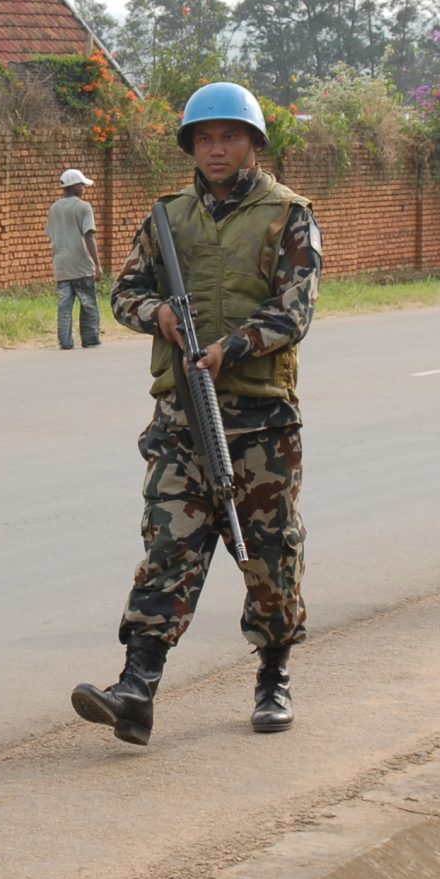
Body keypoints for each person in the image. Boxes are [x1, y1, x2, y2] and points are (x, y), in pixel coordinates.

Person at [70, 82, 321, 744]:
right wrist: (157, 314)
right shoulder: (166, 218)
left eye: (229, 136)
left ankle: (274, 675)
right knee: (168, 543)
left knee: (268, 554)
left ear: (254, 143)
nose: (216, 148)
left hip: (260, 420)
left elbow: (296, 308)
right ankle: (136, 687)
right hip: (181, 416)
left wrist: (228, 348)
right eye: (204, 138)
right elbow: (125, 290)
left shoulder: (288, 214)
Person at [47, 167, 102, 349]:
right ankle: (90, 338)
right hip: (81, 265)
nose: (84, 188)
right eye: (82, 185)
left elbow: (52, 235)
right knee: (88, 304)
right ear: (74, 186)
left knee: (64, 305)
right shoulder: (83, 207)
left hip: (61, 265)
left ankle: (65, 340)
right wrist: (97, 265)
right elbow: (89, 236)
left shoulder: (54, 208)